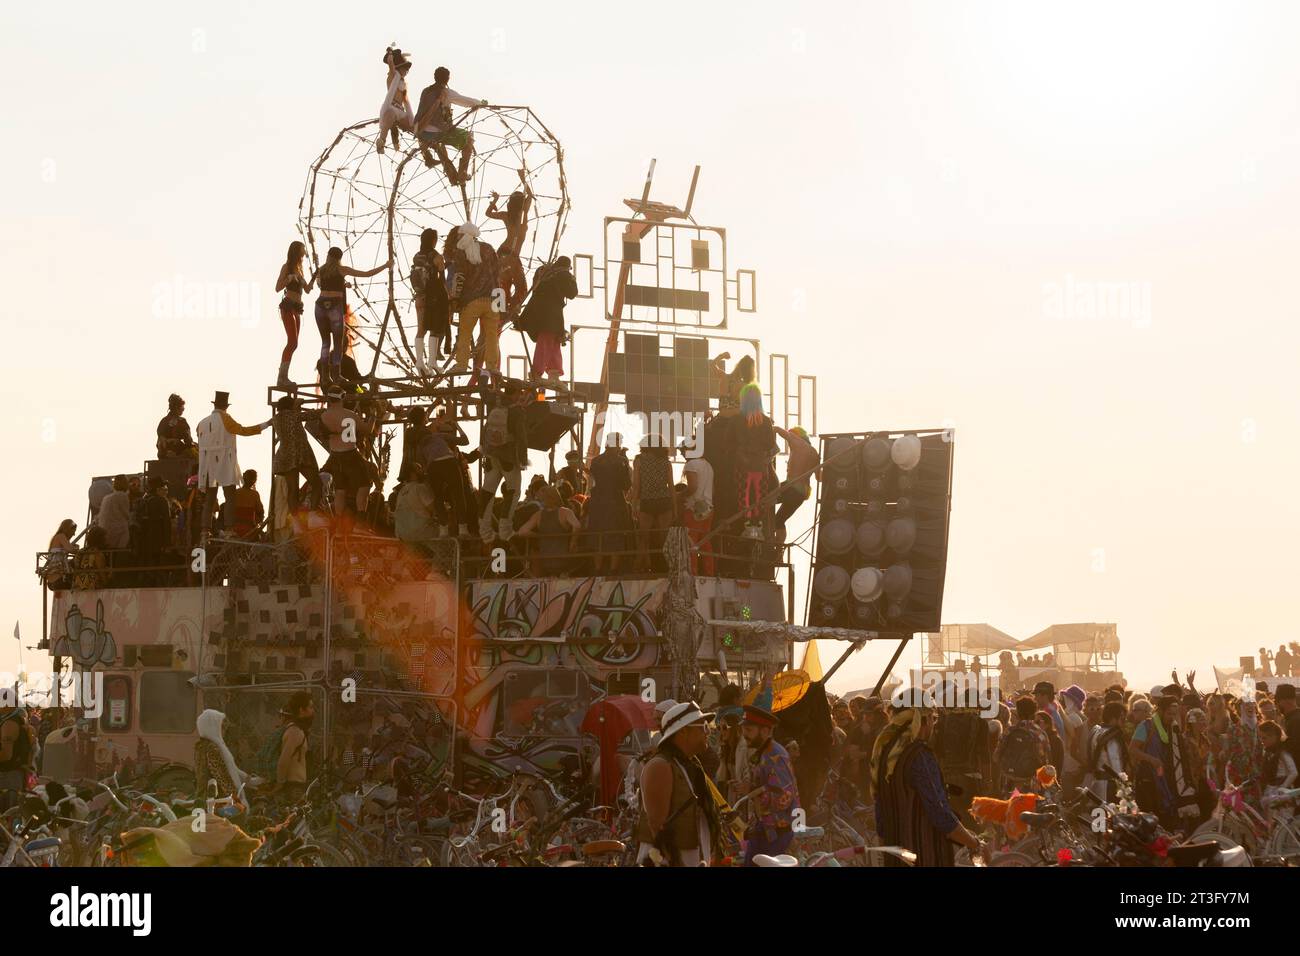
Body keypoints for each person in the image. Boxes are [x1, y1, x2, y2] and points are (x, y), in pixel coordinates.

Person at [871, 697, 983, 866]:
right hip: (924, 855)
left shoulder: (884, 754)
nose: (934, 724)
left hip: (896, 857)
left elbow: (880, 811)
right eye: (933, 718)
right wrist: (975, 843)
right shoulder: (919, 756)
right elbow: (939, 814)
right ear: (923, 719)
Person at [635, 701, 721, 866]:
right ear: (683, 732)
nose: (708, 731)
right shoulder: (660, 766)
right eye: (702, 726)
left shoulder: (689, 765)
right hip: (668, 860)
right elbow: (657, 827)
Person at [314, 246, 390, 387]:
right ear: (339, 258)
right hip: (335, 307)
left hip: (320, 307)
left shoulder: (321, 270)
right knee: (337, 344)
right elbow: (367, 273)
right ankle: (336, 376)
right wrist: (385, 266)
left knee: (325, 343)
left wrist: (342, 284)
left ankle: (325, 377)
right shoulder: (342, 270)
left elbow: (321, 285)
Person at [195, 391, 268, 532]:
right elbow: (244, 431)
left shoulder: (201, 423)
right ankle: (229, 529)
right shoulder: (226, 419)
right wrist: (264, 425)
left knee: (209, 499)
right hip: (224, 464)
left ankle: (205, 529)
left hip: (208, 465)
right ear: (226, 406)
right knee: (230, 498)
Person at [738, 705, 800, 864]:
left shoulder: (774, 755)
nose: (745, 735)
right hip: (764, 830)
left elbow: (784, 797)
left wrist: (750, 791)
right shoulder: (763, 753)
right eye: (744, 730)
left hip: (776, 834)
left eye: (749, 730)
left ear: (765, 731)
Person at [1130, 694, 1200, 831]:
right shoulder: (1146, 726)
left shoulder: (1172, 729)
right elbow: (1132, 749)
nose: (1172, 717)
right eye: (1169, 714)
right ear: (1160, 711)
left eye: (1174, 714)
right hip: (1148, 779)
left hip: (1165, 779)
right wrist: (1152, 759)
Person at [412, 65, 487, 185]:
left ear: (434, 77)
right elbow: (466, 101)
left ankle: (452, 178)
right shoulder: (446, 92)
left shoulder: (426, 91)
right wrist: (481, 103)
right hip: (436, 132)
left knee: (441, 148)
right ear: (448, 79)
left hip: (421, 132)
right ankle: (462, 173)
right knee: (468, 138)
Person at [447, 223, 502, 377]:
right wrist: (501, 304)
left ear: (463, 235)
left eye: (459, 235)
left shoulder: (461, 250)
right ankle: (492, 367)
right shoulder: (489, 248)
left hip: (471, 300)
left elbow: (459, 277)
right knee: (492, 336)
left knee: (465, 333)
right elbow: (498, 274)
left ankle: (461, 365)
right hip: (492, 299)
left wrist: (455, 299)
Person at [477, 385, 528, 539]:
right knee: (513, 492)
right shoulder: (516, 411)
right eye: (520, 392)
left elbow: (483, 392)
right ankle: (505, 531)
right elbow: (521, 436)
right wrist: (523, 459)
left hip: (491, 454)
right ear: (515, 392)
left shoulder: (494, 403)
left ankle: (485, 532)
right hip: (508, 457)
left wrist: (484, 376)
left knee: (487, 493)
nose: (521, 395)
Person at [486, 170, 535, 317]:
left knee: (501, 284)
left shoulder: (510, 217)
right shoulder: (522, 217)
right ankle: (510, 309)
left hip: (503, 254)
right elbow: (530, 197)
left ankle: (498, 312)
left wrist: (495, 201)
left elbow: (488, 213)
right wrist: (523, 179)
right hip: (511, 256)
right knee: (520, 288)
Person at [519, 256, 576, 382]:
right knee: (546, 341)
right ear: (567, 267)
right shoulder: (563, 274)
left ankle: (554, 373)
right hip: (550, 315)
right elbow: (572, 293)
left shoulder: (542, 271)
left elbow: (535, 286)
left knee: (555, 339)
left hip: (536, 312)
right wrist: (573, 279)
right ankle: (536, 373)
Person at [320, 391, 373, 519]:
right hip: (350, 453)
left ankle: (339, 523)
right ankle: (361, 519)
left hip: (335, 455)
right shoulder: (350, 415)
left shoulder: (324, 416)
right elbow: (367, 430)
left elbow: (323, 434)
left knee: (340, 489)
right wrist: (373, 417)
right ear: (342, 397)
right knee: (365, 484)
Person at [586, 433, 633, 574]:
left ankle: (597, 569)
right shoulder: (621, 461)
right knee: (616, 537)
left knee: (598, 536)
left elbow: (594, 479)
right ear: (617, 444)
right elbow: (626, 484)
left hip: (597, 503)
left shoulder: (596, 461)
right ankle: (613, 570)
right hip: (616, 502)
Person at [735, 383, 776, 534]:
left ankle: (746, 521)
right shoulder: (765, 421)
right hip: (759, 464)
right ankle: (757, 523)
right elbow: (771, 444)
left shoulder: (738, 420)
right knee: (759, 494)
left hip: (742, 465)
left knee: (744, 493)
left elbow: (729, 442)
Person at [270, 396, 322, 516]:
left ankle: (295, 521)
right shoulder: (294, 415)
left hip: (285, 456)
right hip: (300, 454)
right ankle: (313, 514)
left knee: (292, 490)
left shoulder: (276, 418)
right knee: (317, 483)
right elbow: (313, 415)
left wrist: (295, 406)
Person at [410, 228, 450, 373]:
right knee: (435, 328)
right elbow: (442, 277)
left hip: (419, 296)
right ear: (433, 240)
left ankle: (419, 362)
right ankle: (432, 362)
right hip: (434, 298)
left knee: (421, 329)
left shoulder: (417, 256)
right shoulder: (436, 256)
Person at [274, 241, 314, 387]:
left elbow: (308, 289)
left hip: (296, 307)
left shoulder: (300, 268)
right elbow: (277, 287)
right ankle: (282, 377)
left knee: (294, 343)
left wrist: (314, 277)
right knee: (292, 342)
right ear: (297, 251)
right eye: (302, 249)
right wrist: (289, 279)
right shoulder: (287, 267)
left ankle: (283, 376)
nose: (304, 251)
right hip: (288, 305)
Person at [631, 440, 674, 572]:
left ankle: (640, 566)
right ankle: (666, 566)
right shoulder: (666, 462)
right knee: (664, 538)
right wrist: (675, 508)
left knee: (643, 538)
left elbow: (636, 485)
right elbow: (671, 486)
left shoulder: (639, 461)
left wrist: (634, 505)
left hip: (647, 501)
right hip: (664, 501)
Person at [772, 425, 819, 543]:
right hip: (801, 493)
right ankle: (779, 546)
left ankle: (768, 540)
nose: (789, 444)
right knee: (779, 520)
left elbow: (777, 429)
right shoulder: (814, 453)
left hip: (792, 487)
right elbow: (819, 478)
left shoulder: (798, 443)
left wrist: (770, 431)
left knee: (764, 502)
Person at [193, 709, 249, 805]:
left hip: (205, 796)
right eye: (221, 727)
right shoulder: (212, 748)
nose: (223, 731)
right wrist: (235, 797)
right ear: (212, 727)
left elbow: (229, 768)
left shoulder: (201, 746)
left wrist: (246, 778)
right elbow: (221, 775)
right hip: (217, 800)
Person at [994, 697, 1048, 794]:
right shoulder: (1040, 734)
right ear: (1034, 712)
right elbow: (1045, 761)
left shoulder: (1009, 731)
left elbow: (996, 756)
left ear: (1018, 712)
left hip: (1009, 783)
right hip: (1031, 785)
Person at [1084, 700, 1130, 802]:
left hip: (1096, 782)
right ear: (1114, 718)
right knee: (1111, 815)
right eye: (1122, 718)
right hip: (1109, 785)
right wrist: (1124, 787)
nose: (1124, 721)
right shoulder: (1112, 736)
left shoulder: (1096, 730)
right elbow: (1115, 763)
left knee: (1097, 815)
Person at [681, 442, 714, 575]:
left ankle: (692, 572)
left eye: (683, 450)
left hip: (694, 509)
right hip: (709, 508)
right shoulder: (708, 465)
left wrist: (679, 496)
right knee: (705, 542)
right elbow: (713, 490)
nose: (681, 453)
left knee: (691, 542)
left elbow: (692, 487)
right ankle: (709, 571)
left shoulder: (691, 465)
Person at [275, 692, 314, 802]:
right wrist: (280, 784)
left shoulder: (298, 730)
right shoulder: (295, 732)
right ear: (302, 710)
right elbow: (283, 760)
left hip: (296, 786)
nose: (313, 711)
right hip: (293, 787)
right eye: (310, 707)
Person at [376, 47, 414, 154]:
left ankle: (427, 155)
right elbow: (391, 65)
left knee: (415, 126)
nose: (407, 71)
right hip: (391, 107)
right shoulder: (393, 75)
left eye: (407, 70)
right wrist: (390, 54)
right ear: (399, 68)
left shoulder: (403, 83)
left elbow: (405, 100)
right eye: (405, 69)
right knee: (390, 115)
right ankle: (381, 141)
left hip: (401, 111)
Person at [0, 705, 36, 812]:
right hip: (14, 777)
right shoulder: (17, 722)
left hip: (7, 778)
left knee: (8, 818)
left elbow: (6, 754)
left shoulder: (10, 724)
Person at [135, 475, 174, 574]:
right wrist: (168, 543)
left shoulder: (142, 501)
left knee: (146, 567)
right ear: (158, 488)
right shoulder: (162, 501)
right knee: (159, 568)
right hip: (158, 539)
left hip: (143, 540)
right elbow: (167, 522)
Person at [96, 475, 132, 551]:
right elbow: (126, 515)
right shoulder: (123, 495)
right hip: (117, 533)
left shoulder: (106, 497)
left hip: (103, 532)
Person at [156, 393, 195, 459]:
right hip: (177, 454)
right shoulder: (181, 421)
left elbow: (159, 440)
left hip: (162, 455)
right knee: (195, 452)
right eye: (182, 407)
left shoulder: (163, 421)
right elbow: (188, 441)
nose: (183, 409)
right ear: (177, 407)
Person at [230, 470, 264, 540]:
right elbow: (261, 511)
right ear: (254, 481)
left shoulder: (235, 492)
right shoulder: (255, 494)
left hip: (234, 528)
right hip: (249, 530)